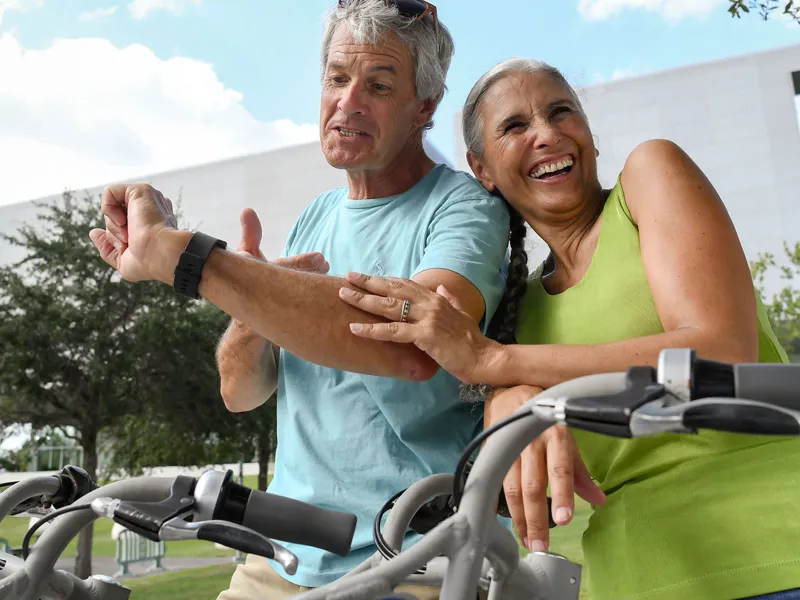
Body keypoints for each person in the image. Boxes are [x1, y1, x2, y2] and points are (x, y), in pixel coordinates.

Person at [89, 1, 511, 597]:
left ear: (425, 108)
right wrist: (253, 310)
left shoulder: (464, 209)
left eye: (379, 85)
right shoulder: (315, 217)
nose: (349, 101)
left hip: (417, 556)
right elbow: (240, 392)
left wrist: (188, 258)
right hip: (282, 553)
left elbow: (418, 349)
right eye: (337, 78)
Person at [337, 57, 800, 600]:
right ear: (482, 169)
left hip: (777, 546)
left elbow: (720, 350)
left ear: (590, 136)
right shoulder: (520, 317)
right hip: (633, 577)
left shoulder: (650, 174)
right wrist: (507, 403)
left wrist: (497, 364)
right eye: (515, 127)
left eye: (562, 113)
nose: (548, 134)